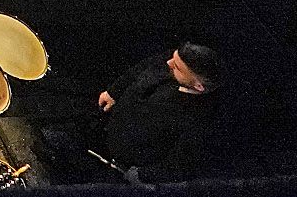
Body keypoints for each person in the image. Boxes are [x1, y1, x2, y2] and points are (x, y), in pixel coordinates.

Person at [53, 44, 223, 184]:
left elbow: (177, 166)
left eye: (177, 66)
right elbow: (143, 68)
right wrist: (114, 92)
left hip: (118, 168)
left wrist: (142, 175)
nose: (169, 63)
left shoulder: (200, 123)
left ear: (198, 86)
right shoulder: (175, 63)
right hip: (103, 130)